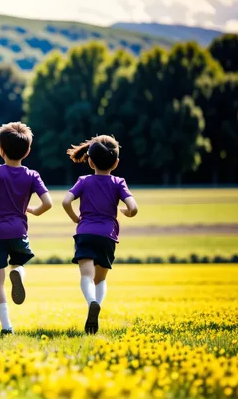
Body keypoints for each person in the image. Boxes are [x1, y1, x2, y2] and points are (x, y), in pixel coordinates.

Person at [0, 122, 52, 335]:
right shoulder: (32, 176)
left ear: (0, 150)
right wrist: (32, 210)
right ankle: (19, 273)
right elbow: (48, 203)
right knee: (18, 263)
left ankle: (6, 326)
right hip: (18, 231)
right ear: (28, 151)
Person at [62, 135, 138, 334]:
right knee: (101, 280)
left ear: (89, 161)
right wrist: (125, 212)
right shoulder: (118, 182)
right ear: (116, 162)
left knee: (86, 276)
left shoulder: (84, 181)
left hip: (85, 232)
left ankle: (91, 302)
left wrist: (75, 218)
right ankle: (97, 305)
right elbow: (133, 208)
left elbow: (65, 201)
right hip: (107, 236)